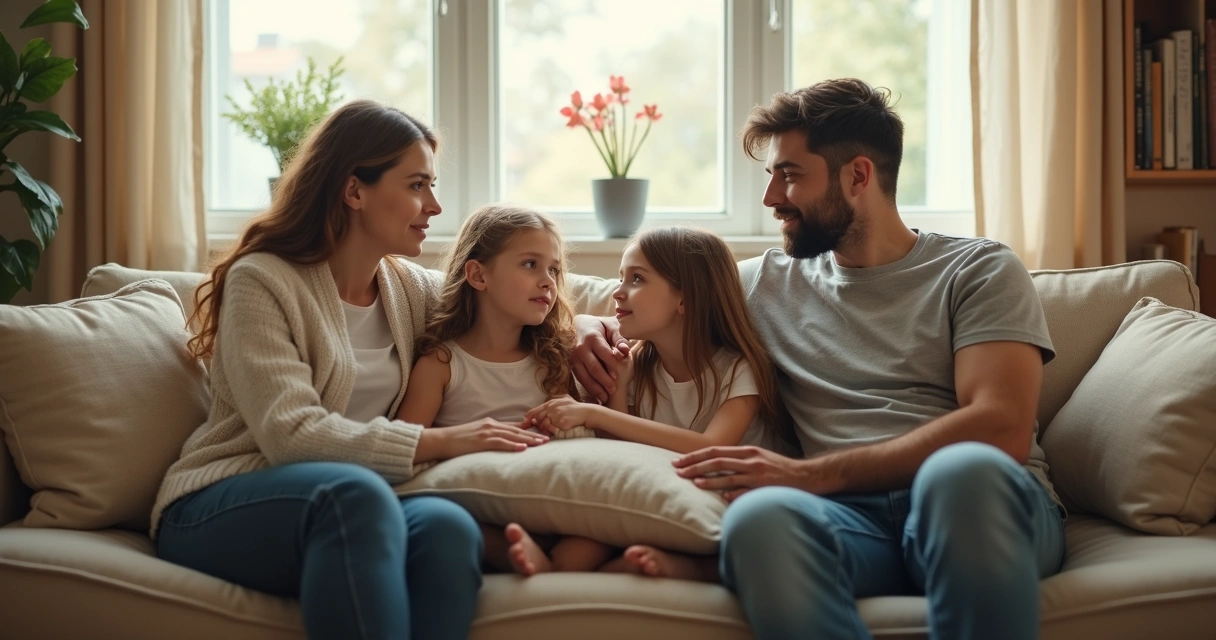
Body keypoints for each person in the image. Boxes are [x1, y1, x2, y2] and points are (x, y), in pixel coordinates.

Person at [572, 78, 1066, 640]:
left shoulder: (977, 270)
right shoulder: (763, 285)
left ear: (857, 176)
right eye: (770, 178)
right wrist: (586, 325)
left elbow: (1000, 428)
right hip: (852, 522)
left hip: (981, 507)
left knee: (959, 473)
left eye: (789, 175)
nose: (770, 199)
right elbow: (664, 304)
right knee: (760, 518)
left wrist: (808, 474)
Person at [153, 100, 549, 640]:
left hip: (356, 505)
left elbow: (502, 300)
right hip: (223, 499)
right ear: (354, 190)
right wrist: (447, 441)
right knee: (354, 495)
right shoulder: (263, 282)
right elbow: (291, 437)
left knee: (448, 526)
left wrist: (592, 330)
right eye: (416, 185)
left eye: (432, 186)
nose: (434, 205)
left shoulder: (410, 290)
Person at [522, 226, 785, 581]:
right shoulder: (639, 363)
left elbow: (712, 446)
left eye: (637, 279)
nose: (617, 292)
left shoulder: (737, 367)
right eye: (620, 278)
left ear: (685, 298)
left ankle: (689, 567)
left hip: (729, 500)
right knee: (582, 543)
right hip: (664, 496)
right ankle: (550, 575)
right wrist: (619, 387)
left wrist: (591, 411)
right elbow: (623, 453)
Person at [394, 204, 596, 574]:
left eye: (554, 269)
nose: (548, 281)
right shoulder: (441, 363)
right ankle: (524, 557)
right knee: (464, 524)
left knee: (589, 541)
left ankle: (550, 563)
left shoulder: (551, 360)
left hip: (549, 500)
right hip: (482, 505)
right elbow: (409, 446)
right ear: (478, 275)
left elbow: (582, 438)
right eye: (530, 264)